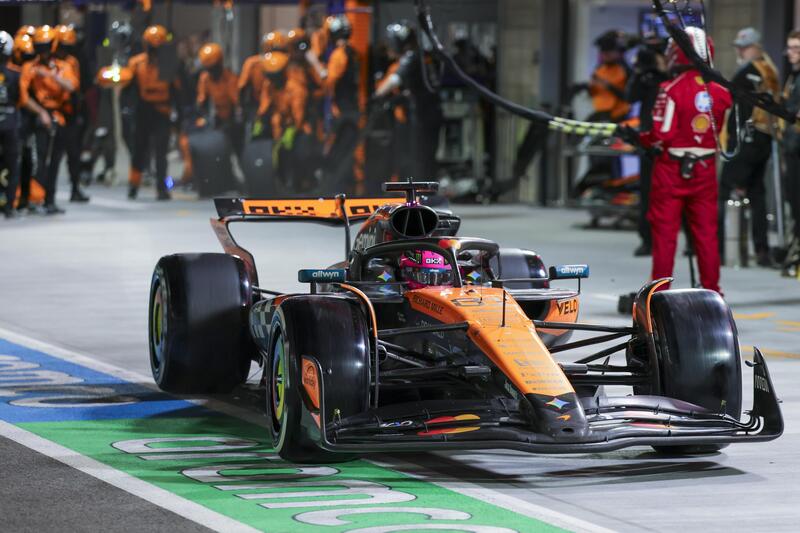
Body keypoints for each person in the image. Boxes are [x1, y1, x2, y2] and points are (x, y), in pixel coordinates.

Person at [638, 27, 732, 293]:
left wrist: (641, 138)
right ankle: (713, 293)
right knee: (706, 235)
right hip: (706, 168)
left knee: (665, 235)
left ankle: (658, 295)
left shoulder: (670, 89)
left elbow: (661, 135)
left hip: (671, 169)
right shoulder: (721, 91)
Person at [717, 28, 780, 267]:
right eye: (739, 47)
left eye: (744, 47)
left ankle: (719, 248)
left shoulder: (749, 72)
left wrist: (734, 143)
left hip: (748, 139)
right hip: (764, 139)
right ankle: (761, 249)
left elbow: (739, 110)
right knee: (756, 193)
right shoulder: (769, 69)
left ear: (756, 47)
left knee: (725, 191)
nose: (740, 52)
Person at [19, 25, 79, 215]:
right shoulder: (30, 67)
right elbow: (23, 97)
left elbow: (72, 86)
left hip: (59, 116)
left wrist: (52, 76)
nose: (43, 52)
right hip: (37, 117)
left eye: (46, 47)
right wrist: (41, 113)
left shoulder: (63, 66)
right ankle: (34, 198)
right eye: (40, 47)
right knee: (39, 160)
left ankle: (50, 200)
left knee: (55, 161)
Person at [374, 20, 443, 182]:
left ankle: (419, 191)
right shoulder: (423, 55)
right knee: (424, 156)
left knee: (417, 157)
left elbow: (393, 81)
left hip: (421, 116)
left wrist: (376, 95)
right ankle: (423, 189)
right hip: (429, 113)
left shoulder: (412, 57)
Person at [126, 25, 181, 200]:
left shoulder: (169, 64)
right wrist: (128, 108)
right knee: (139, 150)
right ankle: (133, 185)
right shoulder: (136, 63)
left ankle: (161, 188)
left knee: (161, 151)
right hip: (143, 111)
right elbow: (128, 88)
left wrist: (178, 114)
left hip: (162, 111)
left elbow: (178, 90)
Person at [309, 14, 362, 194]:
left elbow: (328, 81)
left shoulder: (339, 55)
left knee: (336, 155)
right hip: (353, 110)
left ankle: (333, 192)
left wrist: (314, 61)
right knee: (346, 153)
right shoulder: (353, 53)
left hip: (343, 113)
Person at [626, 38, 669, 257]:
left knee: (676, 193)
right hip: (648, 142)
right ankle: (647, 240)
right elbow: (630, 96)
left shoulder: (675, 76)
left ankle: (690, 240)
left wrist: (665, 70)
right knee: (648, 193)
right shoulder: (646, 77)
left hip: (672, 142)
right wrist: (639, 71)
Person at [54, 24, 90, 203]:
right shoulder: (48, 62)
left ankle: (75, 188)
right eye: (62, 46)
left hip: (71, 112)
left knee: (74, 153)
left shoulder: (74, 61)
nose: (64, 51)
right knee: (52, 156)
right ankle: (45, 195)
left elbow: (79, 86)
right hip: (52, 112)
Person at [10, 31, 39, 212]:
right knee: (12, 161)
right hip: (12, 120)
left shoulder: (32, 69)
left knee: (27, 160)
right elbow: (22, 98)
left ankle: (23, 199)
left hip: (26, 121)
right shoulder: (10, 72)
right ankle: (10, 198)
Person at [196, 42, 241, 153]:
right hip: (216, 118)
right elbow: (202, 100)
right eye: (209, 69)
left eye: (214, 68)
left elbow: (237, 102)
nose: (213, 72)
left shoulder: (230, 78)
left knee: (237, 145)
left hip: (232, 118)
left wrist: (237, 118)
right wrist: (203, 116)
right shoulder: (205, 78)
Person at [239, 31, 286, 127]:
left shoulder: (252, 62)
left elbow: (242, 87)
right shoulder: (252, 63)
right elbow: (242, 87)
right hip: (261, 104)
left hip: (280, 103)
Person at [781, 29, 800, 270]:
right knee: (793, 202)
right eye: (790, 48)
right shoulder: (793, 76)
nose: (792, 53)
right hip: (792, 146)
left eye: (797, 48)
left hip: (797, 146)